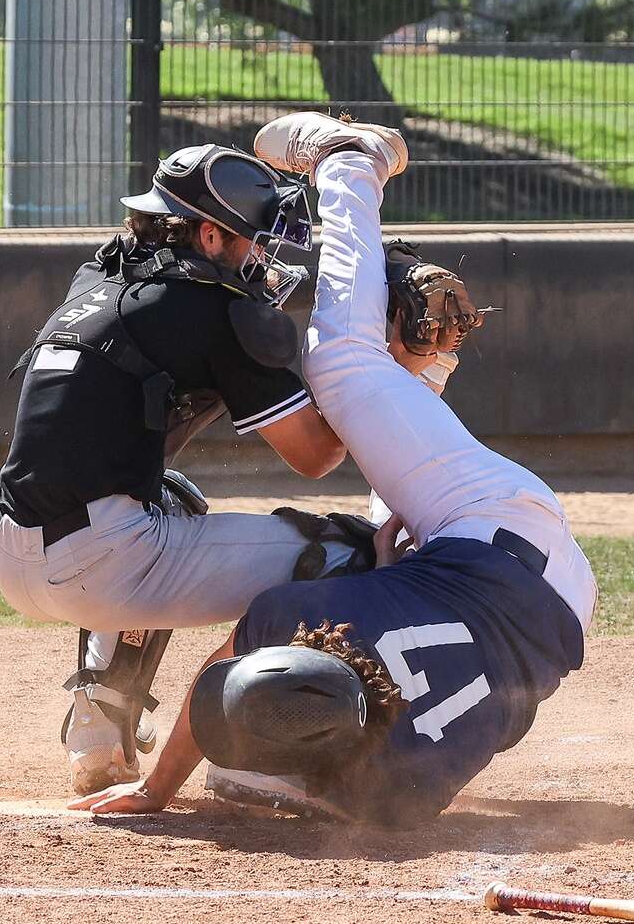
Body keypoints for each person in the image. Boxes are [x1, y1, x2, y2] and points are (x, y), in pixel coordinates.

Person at [70, 114, 598, 826]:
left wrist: (386, 585)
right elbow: (224, 673)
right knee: (343, 371)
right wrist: (159, 789)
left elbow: (500, 713)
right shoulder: (300, 624)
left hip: (557, 617)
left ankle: (357, 168)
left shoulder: (394, 798)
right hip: (490, 529)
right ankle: (410, 341)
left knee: (351, 394)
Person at [0, 142, 403, 796]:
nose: (263, 259)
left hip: (13, 554)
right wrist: (395, 362)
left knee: (172, 500)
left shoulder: (97, 279)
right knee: (343, 554)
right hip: (101, 561)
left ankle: (99, 733)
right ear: (209, 234)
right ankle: (259, 760)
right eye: (252, 242)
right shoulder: (219, 311)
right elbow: (318, 457)